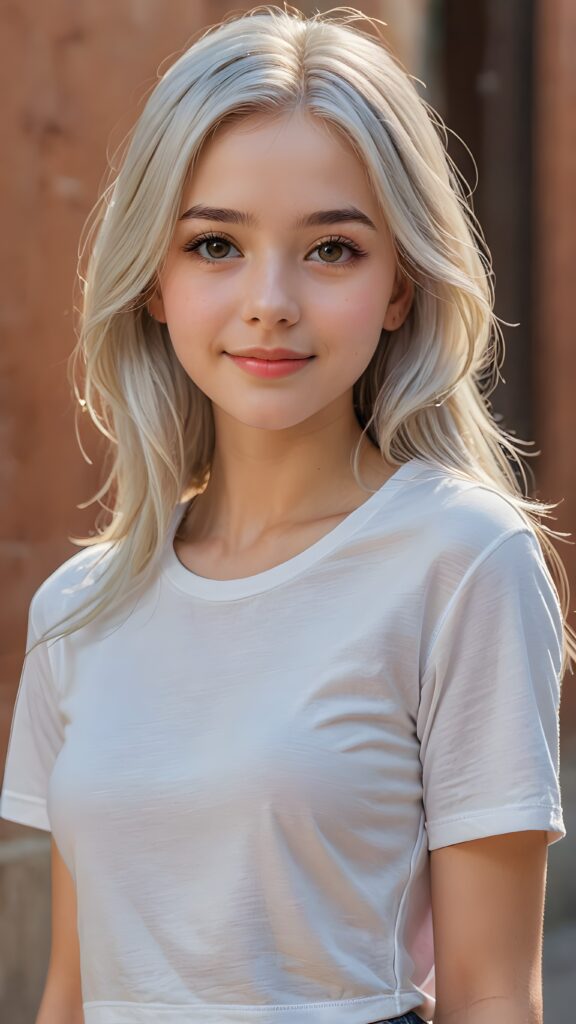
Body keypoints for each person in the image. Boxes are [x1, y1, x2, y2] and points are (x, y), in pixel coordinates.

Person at [0, 5, 573, 1024]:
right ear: (155, 284)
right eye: (216, 244)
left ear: (401, 284)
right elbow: (71, 996)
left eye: (332, 250)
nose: (270, 300)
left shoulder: (464, 560)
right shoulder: (78, 610)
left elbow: (492, 995)